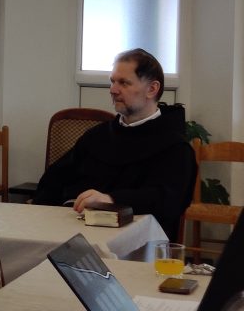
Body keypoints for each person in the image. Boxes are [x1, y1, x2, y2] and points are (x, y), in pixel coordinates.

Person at [34, 48, 197, 240]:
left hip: (138, 245)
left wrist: (111, 200)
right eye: (112, 81)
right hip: (73, 234)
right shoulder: (97, 136)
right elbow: (53, 180)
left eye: (124, 83)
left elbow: (167, 200)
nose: (113, 90)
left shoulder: (174, 147)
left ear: (152, 89)